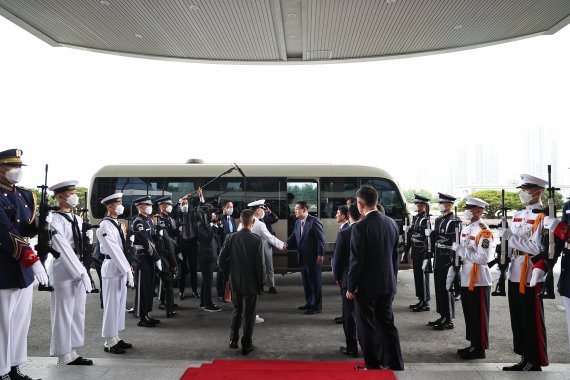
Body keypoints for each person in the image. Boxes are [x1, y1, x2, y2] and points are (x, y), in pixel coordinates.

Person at [346, 185, 403, 370]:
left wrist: (350, 287)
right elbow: (395, 257)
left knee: (366, 327)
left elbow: (356, 261)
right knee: (387, 325)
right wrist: (392, 281)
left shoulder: (360, 227)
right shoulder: (391, 223)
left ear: (360, 204)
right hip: (387, 284)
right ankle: (396, 364)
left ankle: (373, 365)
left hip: (366, 287)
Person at [0, 149, 44, 380]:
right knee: (2, 325)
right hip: (4, 267)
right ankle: (1, 370)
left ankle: (15, 367)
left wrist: (41, 224)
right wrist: (33, 259)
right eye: (11, 166)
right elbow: (5, 231)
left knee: (20, 323)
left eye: (19, 166)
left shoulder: (25, 195)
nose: (16, 171)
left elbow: (26, 228)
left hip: (22, 270)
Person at [501, 174, 549, 371]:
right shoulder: (519, 214)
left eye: (526, 189)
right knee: (518, 318)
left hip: (530, 272)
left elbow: (538, 249)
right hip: (515, 270)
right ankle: (524, 357)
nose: (523, 193)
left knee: (531, 318)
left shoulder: (543, 216)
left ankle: (534, 359)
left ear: (538, 191)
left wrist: (511, 238)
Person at [46, 180, 93, 366]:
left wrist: (88, 239)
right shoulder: (54, 219)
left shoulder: (77, 218)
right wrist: (81, 272)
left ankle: (73, 350)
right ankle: (62, 354)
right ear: (59, 197)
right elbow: (63, 248)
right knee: (63, 312)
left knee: (77, 311)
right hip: (63, 269)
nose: (74, 195)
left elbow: (81, 245)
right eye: (70, 192)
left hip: (79, 267)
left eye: (75, 191)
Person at [448, 197, 493, 359]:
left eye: (470, 208)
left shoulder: (483, 231)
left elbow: (483, 258)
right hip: (466, 276)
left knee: (479, 315)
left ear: (479, 211)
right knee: (470, 314)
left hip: (479, 278)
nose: (467, 210)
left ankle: (480, 348)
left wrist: (461, 251)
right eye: (466, 207)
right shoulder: (467, 229)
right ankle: (473, 344)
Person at [218, 209, 264, 356]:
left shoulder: (230, 238)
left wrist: (228, 275)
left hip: (235, 282)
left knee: (236, 310)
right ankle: (247, 344)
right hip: (251, 284)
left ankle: (233, 340)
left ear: (240, 221)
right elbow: (260, 266)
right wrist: (261, 284)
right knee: (249, 315)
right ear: (253, 222)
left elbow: (220, 261)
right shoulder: (257, 241)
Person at [96, 192, 134, 354]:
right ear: (109, 206)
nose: (121, 205)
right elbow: (114, 250)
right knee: (111, 305)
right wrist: (128, 271)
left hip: (120, 267)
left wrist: (127, 268)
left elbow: (123, 248)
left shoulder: (117, 223)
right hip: (112, 267)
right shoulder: (105, 225)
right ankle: (109, 341)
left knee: (119, 305)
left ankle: (115, 337)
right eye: (118, 202)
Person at [426, 193, 460, 330]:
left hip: (447, 259)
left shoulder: (454, 221)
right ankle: (442, 315)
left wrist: (434, 235)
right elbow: (436, 239)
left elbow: (453, 240)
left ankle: (449, 319)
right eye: (440, 202)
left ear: (450, 204)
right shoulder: (439, 219)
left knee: (447, 289)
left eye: (443, 203)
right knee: (439, 289)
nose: (441, 205)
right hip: (438, 258)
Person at [286, 200, 326, 315]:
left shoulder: (314, 221)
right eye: (295, 209)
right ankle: (309, 302)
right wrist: (286, 244)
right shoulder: (298, 223)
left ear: (304, 210)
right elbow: (294, 236)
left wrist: (320, 254)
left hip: (313, 258)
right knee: (307, 283)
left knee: (315, 283)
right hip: (302, 258)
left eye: (297, 209)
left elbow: (321, 239)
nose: (295, 211)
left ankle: (317, 306)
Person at [332, 204, 360, 358]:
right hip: (365, 281)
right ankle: (367, 346)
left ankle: (352, 347)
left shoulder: (345, 233)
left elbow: (337, 260)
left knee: (349, 315)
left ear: (348, 216)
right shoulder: (367, 231)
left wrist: (337, 277)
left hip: (347, 280)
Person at [131, 195, 163, 327]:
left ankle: (147, 313)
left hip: (150, 259)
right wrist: (157, 258)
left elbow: (152, 238)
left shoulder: (149, 220)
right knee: (142, 290)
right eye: (147, 205)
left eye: (150, 205)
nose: (150, 207)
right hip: (142, 259)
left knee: (149, 289)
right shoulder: (138, 222)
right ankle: (141, 317)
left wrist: (159, 233)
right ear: (139, 207)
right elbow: (145, 242)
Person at [543, 198, 570, 352]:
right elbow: (562, 241)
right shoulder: (568, 205)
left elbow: (565, 231)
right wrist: (545, 265)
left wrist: (558, 226)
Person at [249, 200, 285, 294]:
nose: (264, 211)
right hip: (257, 244)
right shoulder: (254, 221)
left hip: (266, 244)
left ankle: (271, 286)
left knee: (269, 266)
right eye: (262, 209)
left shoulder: (265, 218)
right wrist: (282, 245)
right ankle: (259, 285)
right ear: (258, 211)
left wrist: (270, 212)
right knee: (258, 266)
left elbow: (276, 219)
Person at [403, 194, 431, 312]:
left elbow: (425, 236)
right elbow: (412, 235)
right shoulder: (416, 218)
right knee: (417, 277)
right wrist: (406, 249)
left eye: (417, 204)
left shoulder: (425, 219)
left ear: (423, 205)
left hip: (422, 252)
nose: (415, 206)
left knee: (423, 277)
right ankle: (420, 299)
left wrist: (411, 231)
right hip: (415, 251)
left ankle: (425, 302)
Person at [155, 196, 178, 317]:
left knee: (168, 280)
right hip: (165, 254)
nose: (170, 206)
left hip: (171, 251)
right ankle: (165, 303)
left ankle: (169, 302)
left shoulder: (170, 218)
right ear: (162, 206)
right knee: (166, 280)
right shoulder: (160, 220)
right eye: (168, 204)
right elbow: (167, 240)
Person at [333, 205, 350, 325]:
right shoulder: (344, 227)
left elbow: (340, 256)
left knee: (346, 298)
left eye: (338, 213)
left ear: (343, 216)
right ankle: (345, 316)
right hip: (345, 271)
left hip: (345, 271)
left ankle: (347, 318)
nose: (336, 215)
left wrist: (337, 275)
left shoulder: (346, 230)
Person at [217, 200, 236, 303]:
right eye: (228, 207)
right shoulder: (219, 219)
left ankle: (228, 293)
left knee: (229, 273)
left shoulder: (232, 219)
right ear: (223, 208)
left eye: (232, 207)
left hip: (231, 250)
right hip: (222, 249)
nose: (230, 209)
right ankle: (220, 293)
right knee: (221, 273)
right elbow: (218, 235)